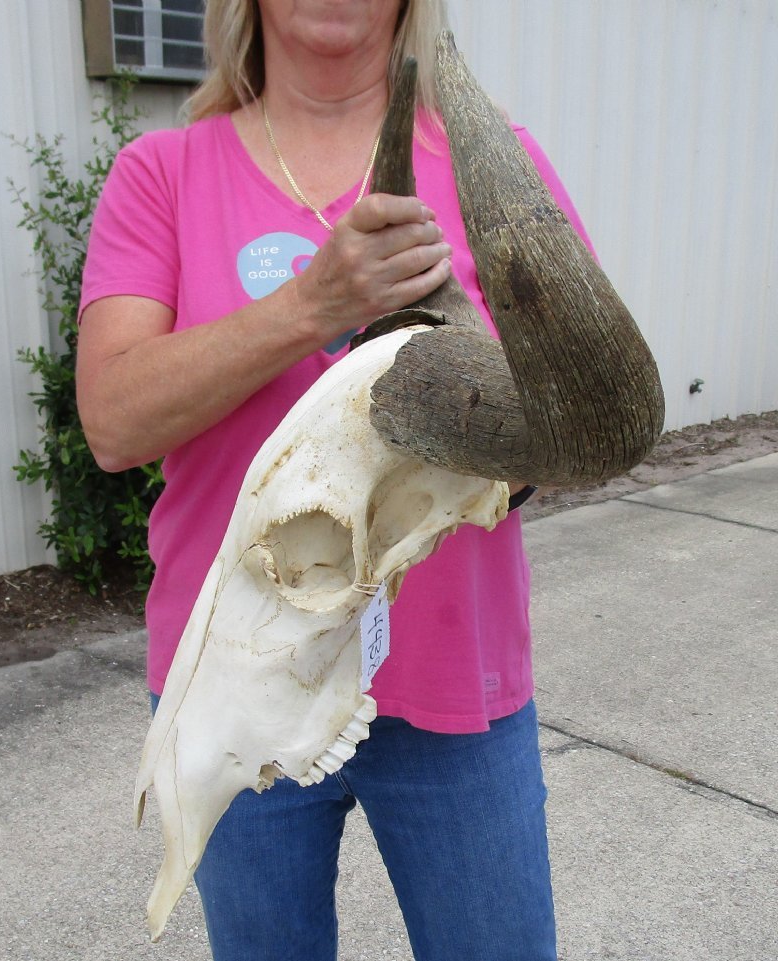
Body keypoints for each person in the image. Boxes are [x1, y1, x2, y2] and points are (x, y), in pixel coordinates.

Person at [77, 2, 595, 958]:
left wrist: (504, 465)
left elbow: (574, 404)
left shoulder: (492, 162)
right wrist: (314, 305)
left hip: (452, 674)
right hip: (235, 670)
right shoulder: (162, 173)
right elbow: (112, 419)